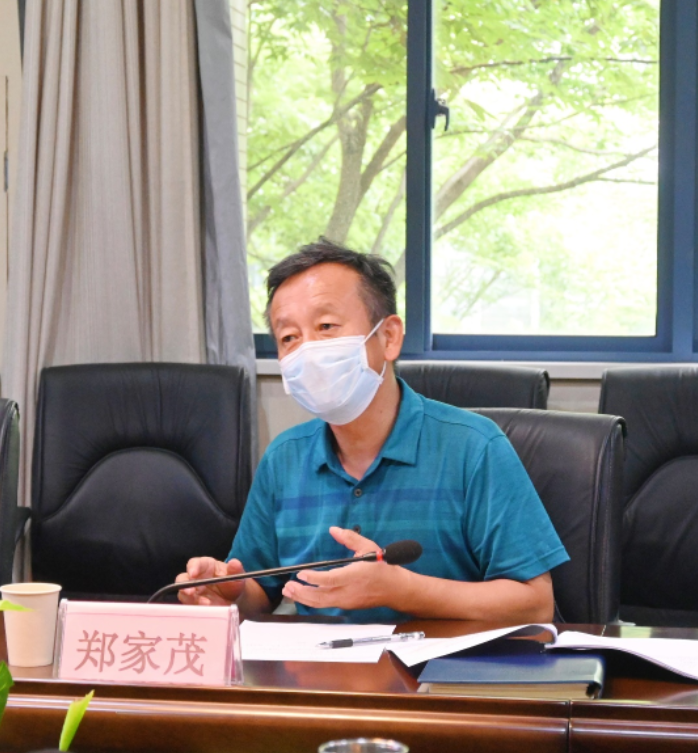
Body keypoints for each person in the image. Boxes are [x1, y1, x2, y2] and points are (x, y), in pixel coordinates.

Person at [176, 238, 569, 623]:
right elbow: (261, 594)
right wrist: (229, 593)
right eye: (289, 337)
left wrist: (403, 590)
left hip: (440, 665)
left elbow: (534, 603)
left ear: (389, 337)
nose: (307, 351)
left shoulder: (475, 447)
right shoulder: (284, 457)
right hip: (317, 666)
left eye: (326, 326)